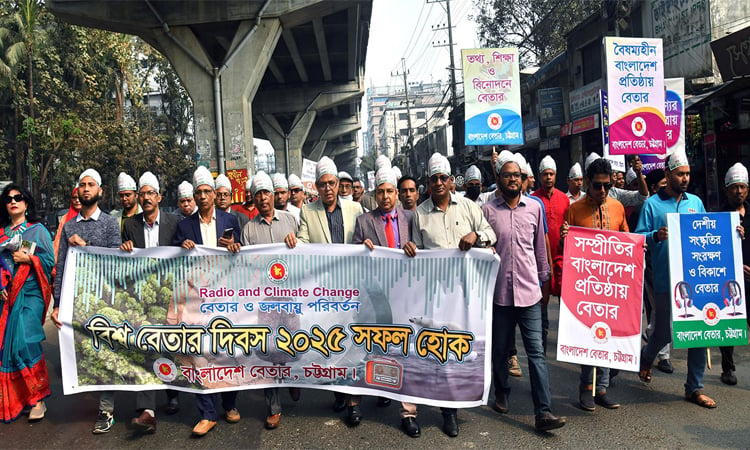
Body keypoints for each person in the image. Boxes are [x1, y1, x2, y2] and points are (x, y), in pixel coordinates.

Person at [405, 152, 496, 437]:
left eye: (444, 178)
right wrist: (409, 251)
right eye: (434, 179)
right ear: (429, 183)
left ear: (451, 181)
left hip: (462, 294)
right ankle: (416, 408)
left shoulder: (468, 208)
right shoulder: (419, 214)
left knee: (452, 352)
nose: (440, 183)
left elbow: (491, 235)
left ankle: (449, 412)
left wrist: (475, 237)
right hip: (432, 294)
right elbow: (415, 255)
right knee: (428, 352)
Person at [635, 150, 730, 409]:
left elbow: (709, 233)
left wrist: (734, 232)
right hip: (666, 281)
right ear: (668, 174)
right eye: (681, 174)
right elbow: (638, 238)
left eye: (688, 173)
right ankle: (647, 357)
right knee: (664, 331)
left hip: (696, 281)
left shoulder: (696, 203)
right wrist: (656, 235)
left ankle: (694, 387)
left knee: (699, 333)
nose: (686, 178)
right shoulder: (652, 205)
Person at [481, 152, 566, 432]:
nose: (513, 179)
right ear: (498, 179)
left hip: (530, 293)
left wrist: (545, 283)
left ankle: (543, 411)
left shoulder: (535, 208)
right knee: (500, 350)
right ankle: (502, 390)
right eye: (507, 175)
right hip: (500, 294)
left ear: (523, 179)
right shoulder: (488, 211)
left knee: (536, 353)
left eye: (517, 175)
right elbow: (483, 250)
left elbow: (540, 248)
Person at [284, 156, 364, 424]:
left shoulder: (355, 209)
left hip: (351, 289)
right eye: (323, 184)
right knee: (331, 344)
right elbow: (305, 242)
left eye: (332, 183)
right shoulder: (308, 211)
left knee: (352, 344)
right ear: (316, 187)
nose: (328, 188)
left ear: (339, 183)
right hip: (325, 294)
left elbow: (364, 239)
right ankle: (337, 393)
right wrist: (294, 241)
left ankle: (353, 402)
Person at [51, 169, 122, 433]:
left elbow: (115, 259)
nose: (86, 188)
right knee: (86, 354)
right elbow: (61, 266)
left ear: (100, 191)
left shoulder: (110, 223)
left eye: (91, 184)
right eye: (82, 185)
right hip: (77, 300)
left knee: (104, 352)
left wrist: (85, 244)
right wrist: (58, 303)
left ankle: (106, 410)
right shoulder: (68, 225)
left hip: (104, 299)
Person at [173, 166, 242, 436]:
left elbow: (243, 257)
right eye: (198, 192)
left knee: (227, 351)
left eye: (206, 192)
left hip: (226, 296)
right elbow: (174, 261)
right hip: (195, 299)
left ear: (214, 195)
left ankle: (230, 404)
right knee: (199, 354)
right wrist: (182, 248)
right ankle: (207, 413)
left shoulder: (231, 220)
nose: (202, 196)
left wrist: (235, 248)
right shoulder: (184, 226)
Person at [560, 158, 626, 412]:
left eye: (606, 186)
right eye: (597, 186)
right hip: (586, 285)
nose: (602, 191)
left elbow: (627, 240)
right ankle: (586, 388)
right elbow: (565, 249)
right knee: (589, 337)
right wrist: (566, 239)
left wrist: (638, 246)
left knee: (608, 336)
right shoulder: (575, 209)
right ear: (588, 183)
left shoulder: (618, 207)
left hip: (613, 283)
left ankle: (603, 389)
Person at [350, 167, 411, 434]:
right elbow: (352, 253)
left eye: (390, 191)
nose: (385, 196)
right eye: (381, 192)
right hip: (372, 296)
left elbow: (423, 252)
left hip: (403, 295)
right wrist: (361, 246)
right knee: (364, 347)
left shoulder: (410, 218)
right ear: (375, 195)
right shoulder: (364, 221)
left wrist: (414, 250)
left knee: (403, 351)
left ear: (396, 193)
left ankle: (408, 413)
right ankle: (354, 403)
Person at [120, 172, 181, 432]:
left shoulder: (174, 223)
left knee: (168, 346)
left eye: (149, 193)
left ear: (159, 197)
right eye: (141, 193)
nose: (145, 198)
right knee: (145, 345)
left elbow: (183, 252)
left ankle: (172, 393)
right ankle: (146, 410)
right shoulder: (130, 225)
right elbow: (124, 259)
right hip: (144, 296)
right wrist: (124, 250)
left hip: (170, 295)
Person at [240, 171, 299, 430]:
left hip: (290, 295)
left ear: (274, 195)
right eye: (258, 194)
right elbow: (244, 266)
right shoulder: (249, 229)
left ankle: (292, 382)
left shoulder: (291, 221)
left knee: (294, 345)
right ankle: (273, 407)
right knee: (269, 348)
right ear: (253, 198)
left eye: (266, 193)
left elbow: (308, 253)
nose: (263, 198)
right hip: (264, 299)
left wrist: (298, 243)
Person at [0, 184, 54, 422]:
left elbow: (49, 260)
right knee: (8, 347)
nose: (13, 201)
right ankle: (22, 398)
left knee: (25, 341)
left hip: (31, 293)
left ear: (26, 203)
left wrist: (29, 258)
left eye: (18, 198)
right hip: (7, 296)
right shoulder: (1, 233)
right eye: (9, 198)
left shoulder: (37, 230)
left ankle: (38, 399)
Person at [532, 155, 569, 352]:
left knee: (567, 299)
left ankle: (568, 339)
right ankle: (542, 340)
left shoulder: (564, 199)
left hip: (562, 257)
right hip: (540, 261)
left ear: (556, 176)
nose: (548, 177)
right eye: (545, 174)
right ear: (539, 177)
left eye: (551, 174)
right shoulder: (532, 200)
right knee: (541, 303)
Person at [718, 163, 750, 386]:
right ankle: (727, 368)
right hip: (730, 281)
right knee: (728, 325)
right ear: (726, 190)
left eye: (742, 187)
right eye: (734, 188)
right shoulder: (718, 217)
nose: (738, 192)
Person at [53, 187, 81, 267]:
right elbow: (58, 241)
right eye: (74, 198)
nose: (77, 200)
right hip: (66, 261)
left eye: (79, 197)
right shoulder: (65, 218)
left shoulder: (90, 217)